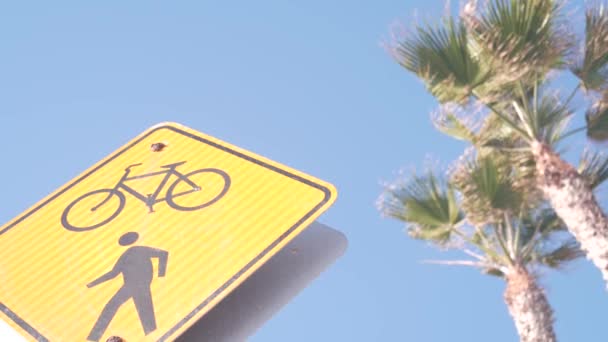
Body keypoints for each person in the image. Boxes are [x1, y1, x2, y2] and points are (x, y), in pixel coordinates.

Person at [86, 232, 168, 341]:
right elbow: (113, 273)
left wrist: (160, 275)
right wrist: (92, 284)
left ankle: (94, 337)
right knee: (142, 311)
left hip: (139, 285)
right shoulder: (126, 255)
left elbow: (163, 253)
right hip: (131, 285)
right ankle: (94, 337)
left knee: (144, 311)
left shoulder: (138, 250)